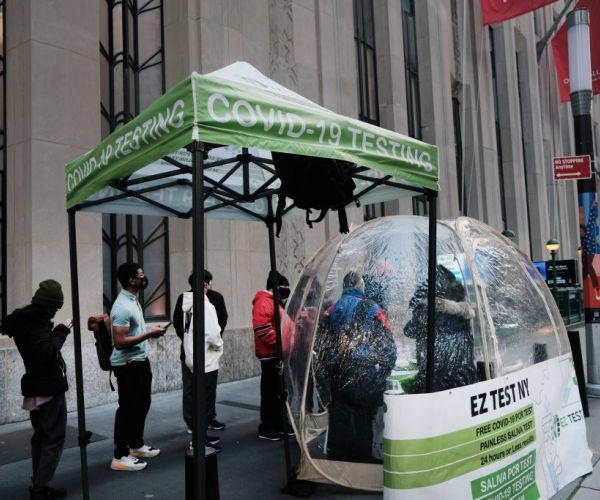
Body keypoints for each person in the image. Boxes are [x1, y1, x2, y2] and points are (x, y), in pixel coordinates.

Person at [316, 271, 396, 463]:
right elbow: (387, 344)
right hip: (364, 374)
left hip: (337, 374)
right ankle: (361, 461)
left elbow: (321, 344)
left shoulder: (331, 309)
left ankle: (339, 461)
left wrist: (327, 372)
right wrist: (384, 371)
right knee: (362, 420)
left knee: (340, 418)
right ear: (360, 286)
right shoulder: (372, 308)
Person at [1, 280, 70, 499]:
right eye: (55, 307)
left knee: (41, 437)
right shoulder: (36, 324)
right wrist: (61, 333)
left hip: (35, 385)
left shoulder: (25, 320)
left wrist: (55, 333)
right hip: (47, 386)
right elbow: (45, 353)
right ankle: (40, 487)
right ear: (49, 305)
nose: (55, 312)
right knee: (53, 438)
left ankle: (39, 483)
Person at [110, 263, 167, 472]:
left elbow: (134, 332)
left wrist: (150, 330)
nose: (144, 278)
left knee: (142, 404)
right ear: (131, 280)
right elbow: (119, 342)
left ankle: (135, 444)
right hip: (127, 365)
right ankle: (120, 455)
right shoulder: (122, 306)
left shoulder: (133, 300)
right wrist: (149, 334)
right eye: (140, 276)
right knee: (127, 408)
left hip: (140, 361)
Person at [403, 265, 478, 393]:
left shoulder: (425, 308)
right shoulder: (463, 310)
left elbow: (410, 331)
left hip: (434, 380)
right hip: (464, 378)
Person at [175, 270, 224, 452]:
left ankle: (199, 437)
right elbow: (213, 334)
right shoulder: (205, 305)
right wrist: (219, 346)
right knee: (203, 401)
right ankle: (199, 442)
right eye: (209, 283)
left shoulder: (187, 303)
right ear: (205, 284)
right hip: (206, 360)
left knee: (197, 400)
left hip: (192, 357)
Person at [252, 270, 290, 441]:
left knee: (278, 392)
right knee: (270, 392)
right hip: (271, 355)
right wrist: (281, 343)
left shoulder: (275, 302)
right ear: (275, 287)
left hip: (277, 353)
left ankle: (279, 422)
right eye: (284, 287)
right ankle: (267, 426)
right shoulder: (264, 302)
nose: (287, 290)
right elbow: (262, 330)